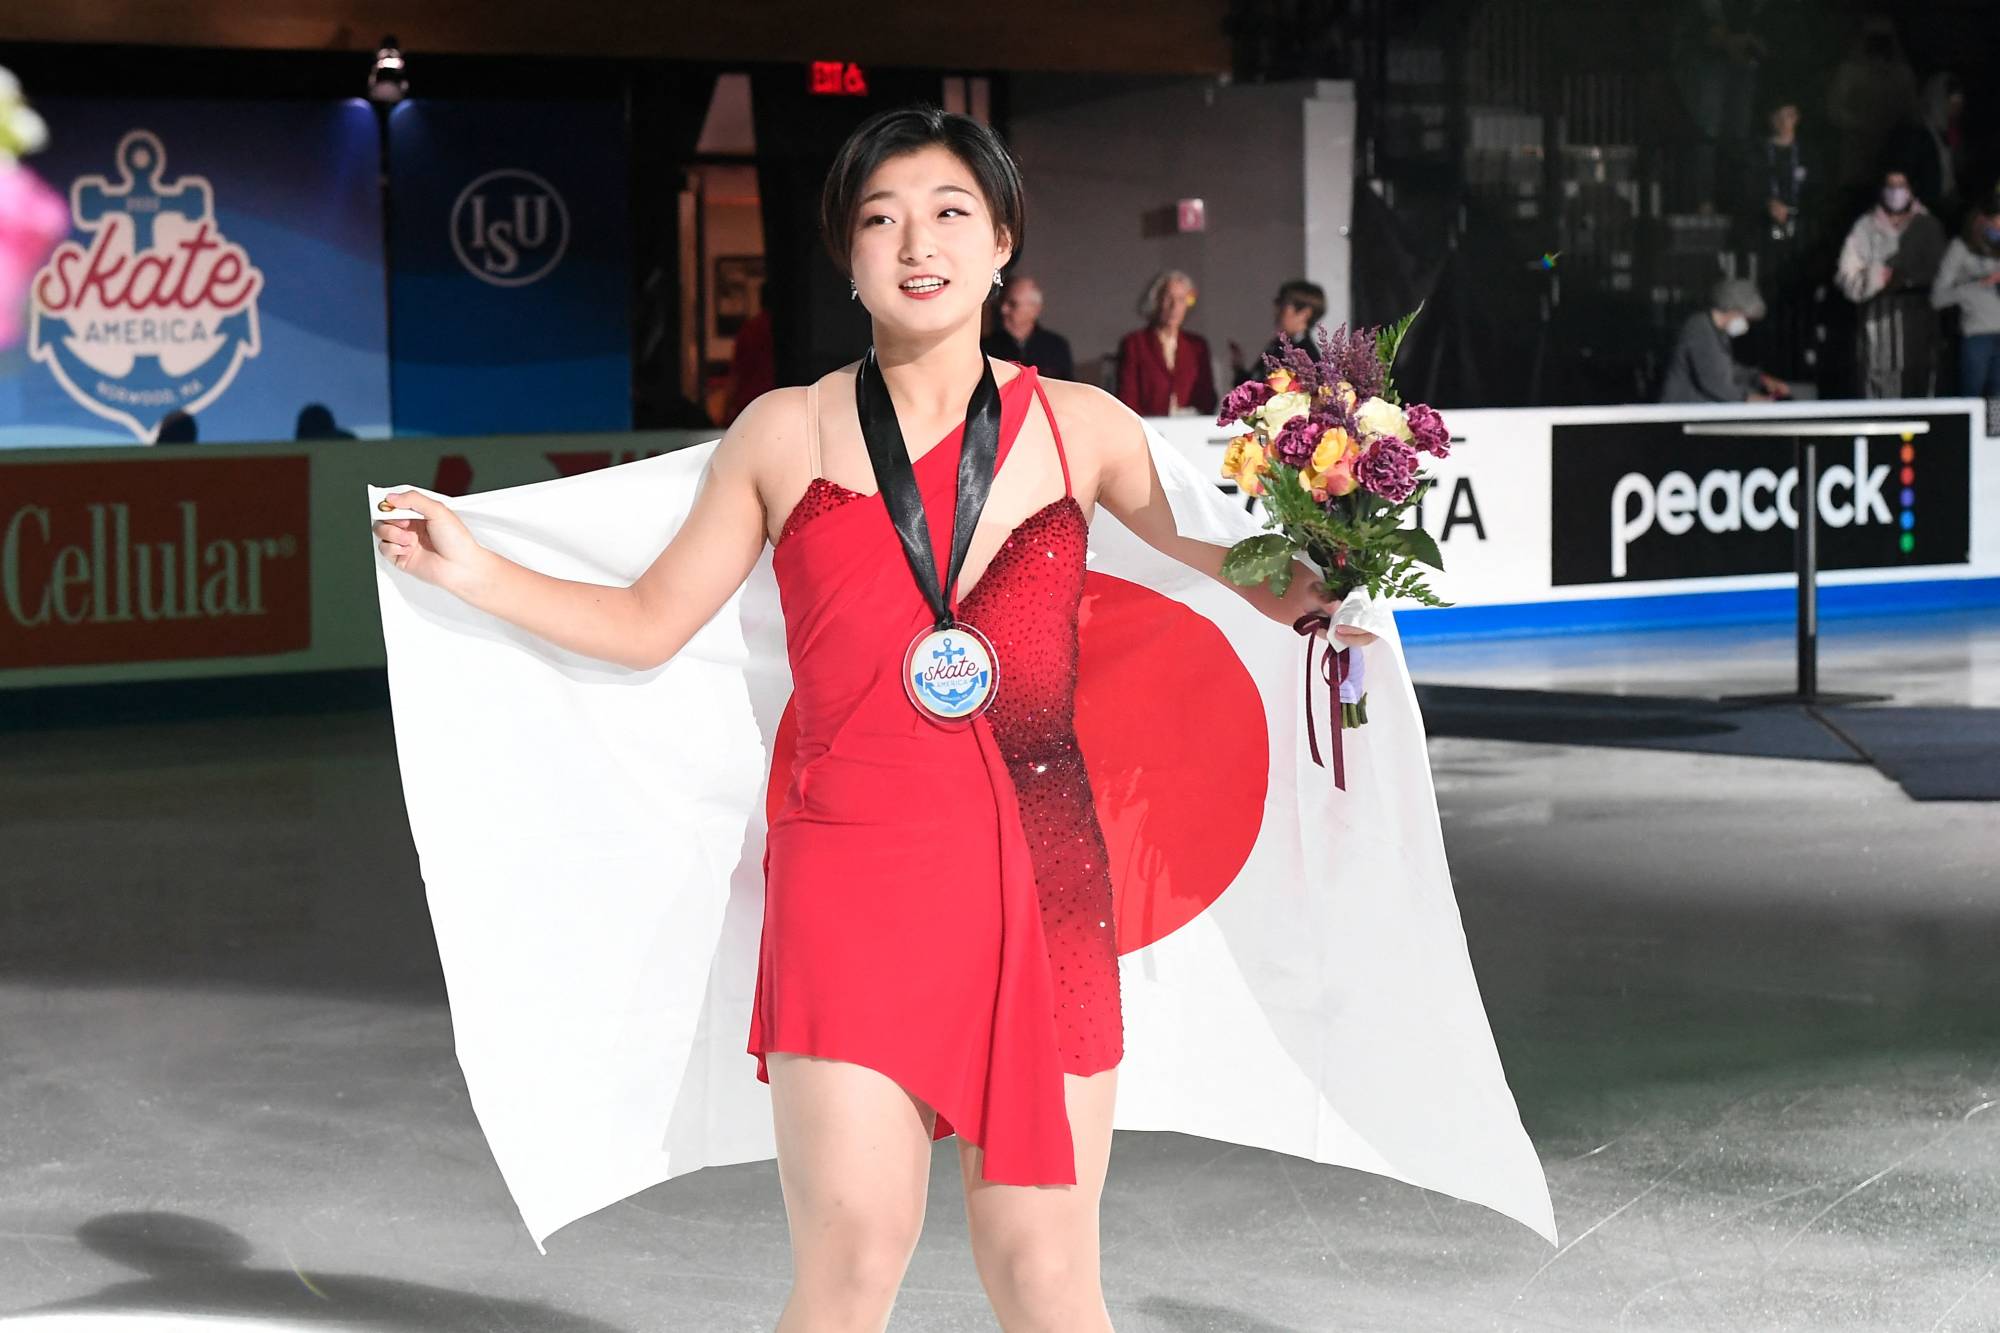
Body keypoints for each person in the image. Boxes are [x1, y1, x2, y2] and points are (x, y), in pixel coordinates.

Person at [373, 107, 1389, 1331]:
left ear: (1001, 241)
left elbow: (1221, 560)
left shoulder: (1085, 427)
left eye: (951, 211)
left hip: (1043, 877)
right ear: (844, 256)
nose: (919, 241)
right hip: (849, 877)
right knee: (851, 1265)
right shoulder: (781, 431)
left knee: (1046, 1272)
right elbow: (649, 620)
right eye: (880, 217)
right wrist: (471, 571)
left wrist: (1327, 557)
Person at [1835, 168, 1947, 397]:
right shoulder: (1865, 226)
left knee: (1919, 378)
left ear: (1910, 190)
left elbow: (1942, 271)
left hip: (1917, 318)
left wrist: (1907, 278)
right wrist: (1876, 278)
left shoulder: (1927, 225)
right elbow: (1846, 275)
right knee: (1877, 380)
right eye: (1890, 186)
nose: (1896, 192)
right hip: (1878, 318)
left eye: (1901, 186)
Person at [1660, 276, 1793, 402]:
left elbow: (1726, 370)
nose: (1746, 324)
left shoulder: (1717, 333)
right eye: (1745, 318)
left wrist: (1761, 379)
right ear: (1732, 310)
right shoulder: (1699, 329)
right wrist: (1748, 399)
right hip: (1682, 415)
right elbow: (1714, 382)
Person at [1113, 269, 1217, 416]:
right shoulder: (1135, 344)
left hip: (1191, 430)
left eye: (1181, 300)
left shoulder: (1197, 346)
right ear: (1156, 301)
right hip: (1148, 430)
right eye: (1169, 298)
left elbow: (1207, 397)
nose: (1174, 306)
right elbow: (1127, 397)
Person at [1929, 188, 2000, 397]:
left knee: (1998, 403)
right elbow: (1937, 298)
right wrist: (1980, 284)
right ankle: (1969, 430)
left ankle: (1996, 431)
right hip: (1977, 337)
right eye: (1995, 223)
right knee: (1972, 396)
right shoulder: (1961, 248)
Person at [1227, 278, 1326, 385]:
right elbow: (1254, 387)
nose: (1276, 311)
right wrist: (1238, 368)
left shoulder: (1305, 357)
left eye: (1283, 305)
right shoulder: (1278, 345)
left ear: (1305, 313)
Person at [980, 273, 1074, 379]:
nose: (1003, 309)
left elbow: (1066, 388)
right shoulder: (985, 347)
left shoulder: (1056, 347)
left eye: (1012, 304)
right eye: (1003, 302)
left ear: (1034, 309)